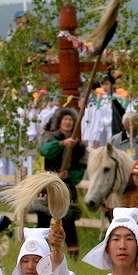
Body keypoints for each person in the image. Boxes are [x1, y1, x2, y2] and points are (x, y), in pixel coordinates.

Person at [37, 107, 86, 256]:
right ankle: (39, 249)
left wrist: (68, 176)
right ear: (59, 122)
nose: (68, 122)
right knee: (43, 220)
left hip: (67, 186)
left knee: (69, 221)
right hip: (50, 185)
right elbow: (44, 151)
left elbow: (81, 167)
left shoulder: (78, 145)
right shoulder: (51, 137)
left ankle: (73, 254)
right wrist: (61, 144)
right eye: (65, 119)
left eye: (71, 120)